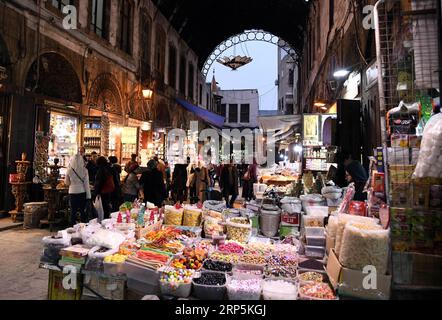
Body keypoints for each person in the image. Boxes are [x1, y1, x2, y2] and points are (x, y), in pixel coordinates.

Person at [65, 153, 91, 226]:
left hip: (72, 192)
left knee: (73, 211)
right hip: (82, 192)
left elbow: (66, 183)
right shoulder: (85, 170)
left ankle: (72, 227)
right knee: (82, 210)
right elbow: (86, 184)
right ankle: (83, 226)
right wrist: (88, 196)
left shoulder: (69, 170)